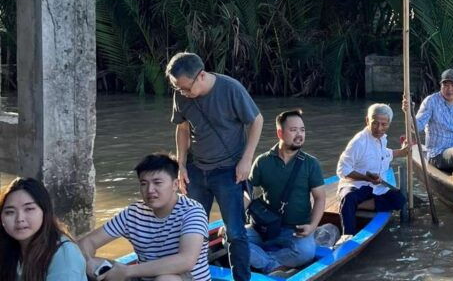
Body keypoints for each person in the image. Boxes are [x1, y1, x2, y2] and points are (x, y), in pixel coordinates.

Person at [166, 52, 263, 281]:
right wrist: (181, 166)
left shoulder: (231, 89)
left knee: (236, 232)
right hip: (196, 171)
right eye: (178, 89)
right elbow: (182, 128)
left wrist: (246, 160)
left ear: (201, 76)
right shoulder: (180, 95)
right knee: (192, 230)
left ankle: (241, 278)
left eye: (185, 88)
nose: (183, 93)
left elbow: (256, 120)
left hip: (229, 171)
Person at [78, 153, 210, 281]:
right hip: (145, 276)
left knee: (166, 279)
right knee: (94, 264)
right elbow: (87, 242)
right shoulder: (133, 213)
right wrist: (89, 261)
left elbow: (186, 260)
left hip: (186, 278)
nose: (150, 190)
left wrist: (127, 271)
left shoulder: (192, 211)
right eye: (144, 183)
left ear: (175, 185)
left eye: (157, 183)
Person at [246, 110, 325, 273]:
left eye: (302, 130)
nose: (299, 134)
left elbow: (320, 198)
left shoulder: (311, 164)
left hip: (296, 230)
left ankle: (263, 260)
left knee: (306, 252)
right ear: (280, 133)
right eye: (293, 129)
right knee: (231, 238)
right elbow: (247, 193)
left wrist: (312, 226)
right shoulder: (263, 161)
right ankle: (272, 265)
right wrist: (232, 223)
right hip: (265, 228)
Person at [336, 104, 411, 242]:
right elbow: (342, 169)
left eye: (383, 124)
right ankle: (347, 236)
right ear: (367, 121)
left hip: (375, 187)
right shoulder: (359, 141)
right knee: (349, 198)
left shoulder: (382, 138)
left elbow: (384, 153)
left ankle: (355, 206)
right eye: (375, 123)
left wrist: (401, 151)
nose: (379, 128)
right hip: (357, 185)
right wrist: (367, 178)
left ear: (389, 124)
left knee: (399, 200)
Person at [0, 177, 86, 281]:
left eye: (29, 209)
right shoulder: (8, 247)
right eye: (10, 212)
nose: (19, 219)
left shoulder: (63, 254)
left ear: (45, 212)